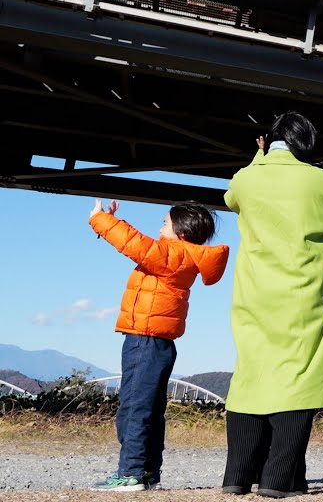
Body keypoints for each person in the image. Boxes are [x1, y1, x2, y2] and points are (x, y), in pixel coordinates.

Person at [221, 111, 323, 497]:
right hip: (303, 292)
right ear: (307, 142)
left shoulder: (247, 178)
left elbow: (232, 197)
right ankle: (277, 479)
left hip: (254, 292)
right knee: (298, 378)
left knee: (251, 375)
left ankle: (237, 476)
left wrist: (258, 158)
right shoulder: (318, 181)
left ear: (269, 141)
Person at [89, 199, 228, 492]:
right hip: (158, 341)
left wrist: (101, 220)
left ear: (182, 231)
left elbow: (136, 245)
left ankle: (130, 473)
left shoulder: (172, 255)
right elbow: (141, 244)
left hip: (145, 338)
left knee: (134, 408)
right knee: (150, 408)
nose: (160, 228)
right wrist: (114, 224)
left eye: (165, 224)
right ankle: (148, 471)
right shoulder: (179, 256)